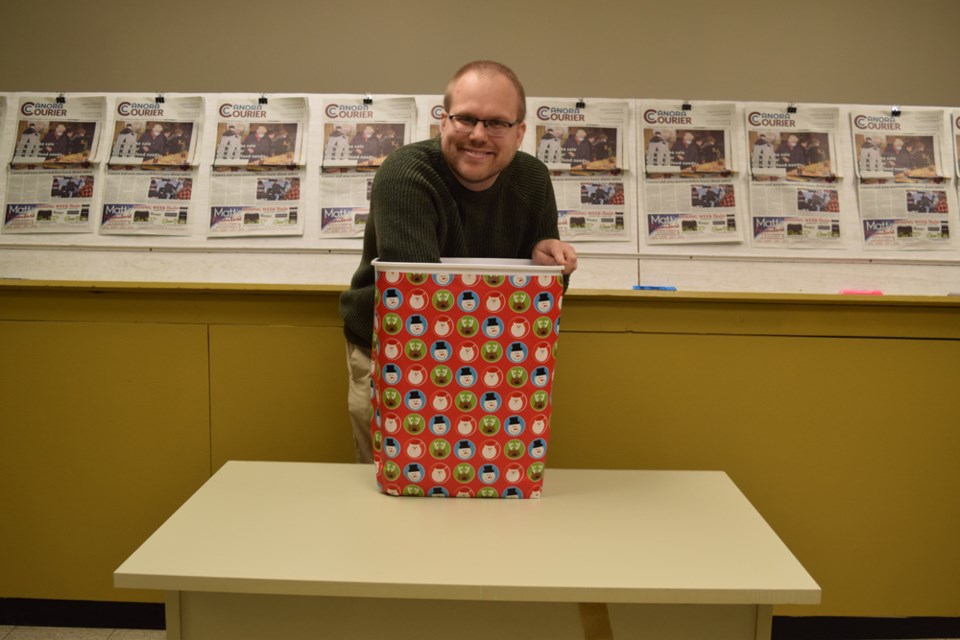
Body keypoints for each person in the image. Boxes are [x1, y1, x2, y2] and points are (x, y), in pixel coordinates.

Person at [338, 60, 577, 463]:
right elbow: (422, 303)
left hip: (495, 357)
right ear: (443, 121)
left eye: (497, 123)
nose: (479, 135)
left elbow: (544, 301)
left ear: (520, 132)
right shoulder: (406, 173)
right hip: (396, 353)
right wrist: (520, 284)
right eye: (465, 119)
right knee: (400, 482)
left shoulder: (534, 178)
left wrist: (546, 269)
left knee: (485, 484)